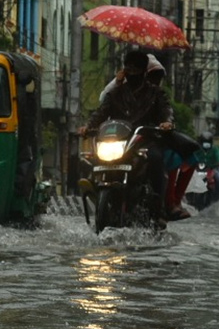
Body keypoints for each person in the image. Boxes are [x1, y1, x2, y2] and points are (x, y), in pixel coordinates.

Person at [80, 50, 194, 220]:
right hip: (119, 142)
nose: (132, 73)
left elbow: (166, 110)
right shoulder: (116, 93)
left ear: (143, 71)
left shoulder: (155, 93)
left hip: (145, 141)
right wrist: (88, 126)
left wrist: (166, 122)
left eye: (136, 70)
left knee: (155, 158)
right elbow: (101, 113)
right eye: (129, 69)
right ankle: (95, 188)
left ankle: (157, 206)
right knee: (94, 156)